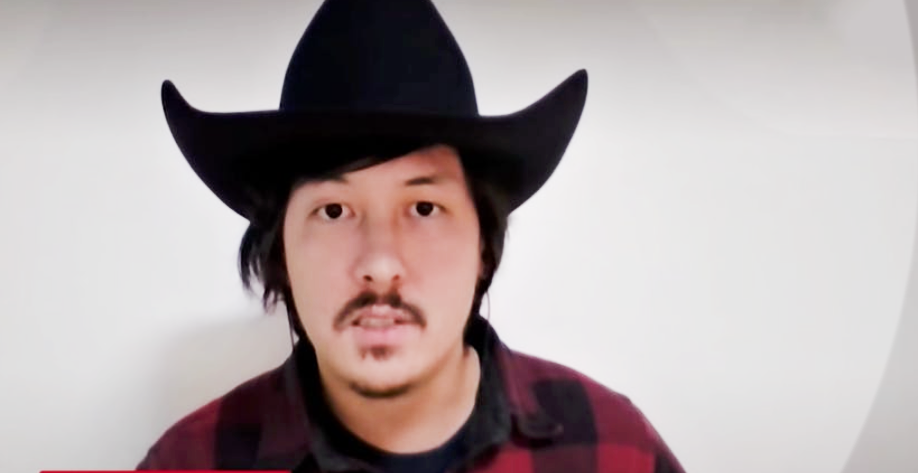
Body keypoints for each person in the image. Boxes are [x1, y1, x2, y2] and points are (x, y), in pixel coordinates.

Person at [137, 0, 685, 472]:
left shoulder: (614, 450)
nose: (380, 264)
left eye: (424, 208)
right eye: (334, 211)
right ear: (280, 250)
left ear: (483, 245)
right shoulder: (190, 461)